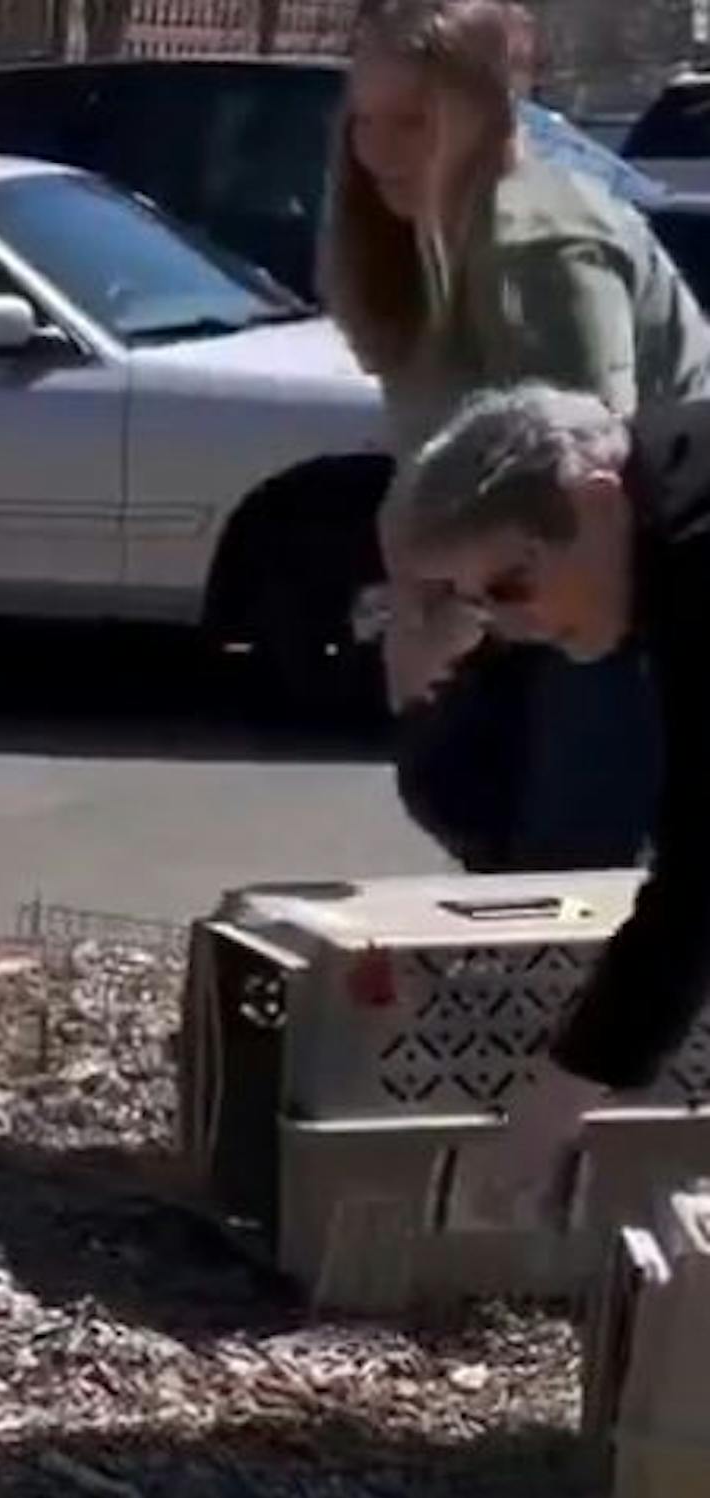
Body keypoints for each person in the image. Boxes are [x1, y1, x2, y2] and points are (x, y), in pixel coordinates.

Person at [318, 0, 710, 871]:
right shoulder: (413, 236)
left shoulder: (545, 248)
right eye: (364, 122)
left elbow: (577, 484)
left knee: (567, 865)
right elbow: (436, 459)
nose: (377, 151)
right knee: (457, 794)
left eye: (412, 121)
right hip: (508, 585)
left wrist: (447, 613)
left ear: (486, 113)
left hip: (616, 597)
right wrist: (417, 601)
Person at [380, 378, 710, 1216]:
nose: (507, 622)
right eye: (477, 601)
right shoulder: (662, 498)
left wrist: (558, 1100)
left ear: (594, 504)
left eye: (509, 587)